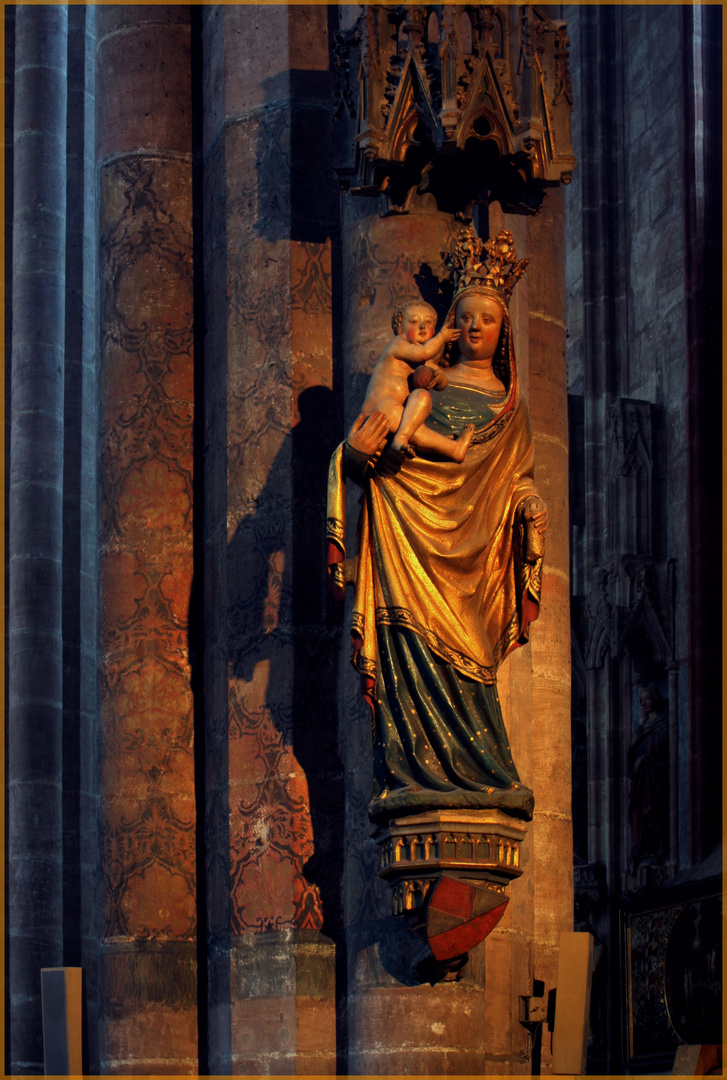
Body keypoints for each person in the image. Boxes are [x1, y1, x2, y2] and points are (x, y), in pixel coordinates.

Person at [327, 229, 547, 822]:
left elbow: (516, 475)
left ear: (504, 335)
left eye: (489, 321)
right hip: (406, 530)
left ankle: (482, 774)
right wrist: (353, 455)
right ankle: (408, 773)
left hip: (477, 558)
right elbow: (368, 449)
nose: (476, 329)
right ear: (453, 322)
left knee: (471, 659)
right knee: (407, 649)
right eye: (467, 318)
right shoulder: (425, 382)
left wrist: (529, 505)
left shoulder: (511, 407)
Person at [360, 299, 475, 462]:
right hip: (380, 405)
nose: (422, 326)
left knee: (422, 399)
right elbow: (423, 352)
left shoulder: (426, 363)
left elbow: (443, 384)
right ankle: (405, 439)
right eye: (414, 321)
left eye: (428, 323)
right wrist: (442, 337)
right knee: (413, 429)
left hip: (398, 410)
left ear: (433, 330)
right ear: (401, 329)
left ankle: (453, 449)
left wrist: (439, 378)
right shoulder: (398, 345)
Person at [627, 684, 669, 871]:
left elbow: (661, 748)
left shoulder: (665, 722)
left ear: (656, 698)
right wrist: (634, 746)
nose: (645, 703)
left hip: (654, 779)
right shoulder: (641, 728)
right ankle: (641, 852)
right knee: (638, 815)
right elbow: (630, 760)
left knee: (653, 813)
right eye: (641, 700)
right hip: (640, 782)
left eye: (648, 698)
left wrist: (644, 758)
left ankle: (658, 850)